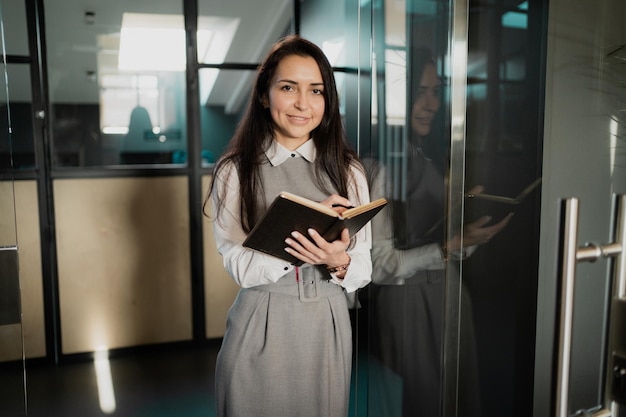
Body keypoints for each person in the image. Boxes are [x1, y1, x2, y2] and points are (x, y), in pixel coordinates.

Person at [204, 35, 373, 417]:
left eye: (316, 90)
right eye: (287, 88)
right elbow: (241, 267)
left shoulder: (349, 171)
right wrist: (308, 223)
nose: (302, 104)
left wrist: (338, 262)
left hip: (328, 325)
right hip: (261, 323)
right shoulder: (235, 171)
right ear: (265, 96)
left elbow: (363, 268)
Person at [366, 46, 511, 417]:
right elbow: (379, 264)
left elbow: (444, 241)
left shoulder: (425, 159)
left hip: (446, 293)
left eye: (436, 91)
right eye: (420, 92)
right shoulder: (381, 167)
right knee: (420, 403)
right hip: (407, 305)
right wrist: (447, 248)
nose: (431, 103)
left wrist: (468, 235)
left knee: (454, 400)